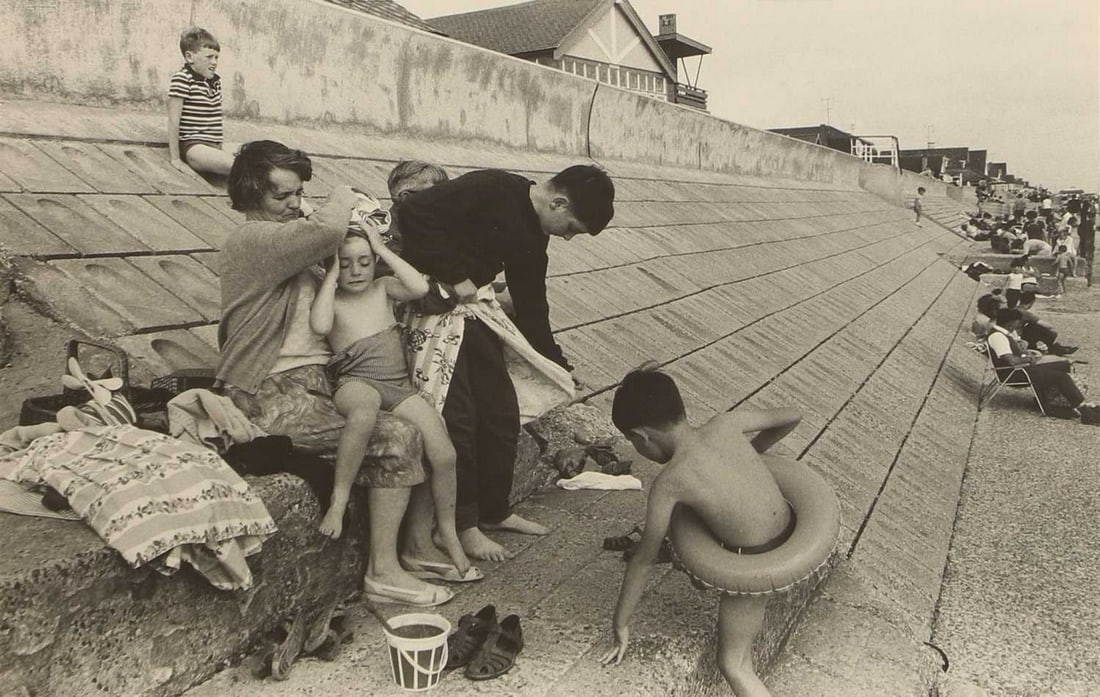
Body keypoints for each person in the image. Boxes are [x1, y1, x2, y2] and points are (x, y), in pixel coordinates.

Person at [217, 140, 459, 607]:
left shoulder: (290, 246)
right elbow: (329, 229)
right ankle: (383, 573)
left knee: (420, 430)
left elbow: (361, 260)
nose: (294, 204)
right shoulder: (253, 240)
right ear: (250, 196)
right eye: (282, 196)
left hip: (313, 385)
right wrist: (344, 195)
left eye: (298, 193)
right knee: (396, 438)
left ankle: (415, 549)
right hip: (269, 389)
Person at [397, 165, 615, 561]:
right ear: (557, 201)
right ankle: (463, 527)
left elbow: (533, 305)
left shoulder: (534, 238)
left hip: (475, 313)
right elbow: (414, 213)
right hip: (434, 308)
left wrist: (557, 363)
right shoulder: (492, 187)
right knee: (459, 417)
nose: (566, 236)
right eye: (570, 227)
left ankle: (494, 511)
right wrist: (454, 273)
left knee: (501, 411)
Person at [598, 366, 802, 695]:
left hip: (756, 567)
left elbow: (643, 560)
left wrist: (619, 624)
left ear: (641, 436)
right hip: (794, 537)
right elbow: (793, 415)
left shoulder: (670, 482)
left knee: (734, 665)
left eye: (632, 442)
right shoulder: (725, 424)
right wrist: (753, 452)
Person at [308, 218, 476, 579]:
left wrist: (381, 248)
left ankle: (446, 531)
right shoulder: (333, 299)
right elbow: (321, 326)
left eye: (364, 261)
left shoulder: (383, 287)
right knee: (364, 413)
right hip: (357, 381)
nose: (356, 271)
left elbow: (417, 287)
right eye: (346, 262)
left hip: (398, 386)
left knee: (444, 453)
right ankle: (338, 500)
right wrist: (330, 274)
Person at [987, 309, 1098, 424]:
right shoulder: (998, 337)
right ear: (1010, 323)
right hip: (1015, 373)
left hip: (1022, 369)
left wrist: (1027, 354)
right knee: (1062, 377)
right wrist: (1029, 358)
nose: (1018, 325)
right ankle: (1084, 410)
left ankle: (1053, 401)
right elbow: (1012, 361)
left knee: (1062, 365)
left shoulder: (1002, 334)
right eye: (1017, 322)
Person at [167, 27, 236, 176]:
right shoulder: (182, 79)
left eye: (217, 57)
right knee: (241, 166)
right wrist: (176, 159)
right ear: (190, 57)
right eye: (209, 57)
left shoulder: (214, 81)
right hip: (194, 147)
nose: (214, 62)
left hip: (216, 145)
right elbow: (173, 120)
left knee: (261, 154)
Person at [1017, 291, 1077, 355]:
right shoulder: (1025, 313)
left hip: (1015, 335)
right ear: (1031, 302)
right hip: (1018, 337)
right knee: (1037, 327)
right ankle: (1053, 347)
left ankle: (1054, 347)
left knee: (1031, 326)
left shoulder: (1015, 309)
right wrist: (1053, 332)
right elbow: (1046, 325)